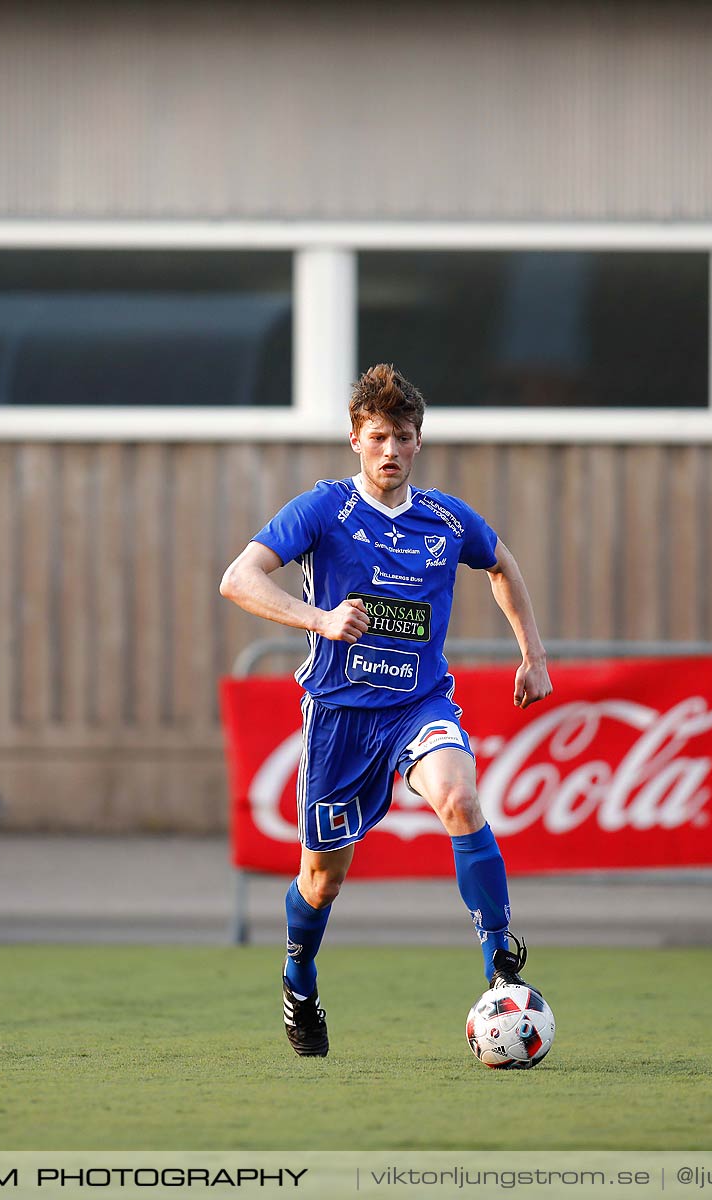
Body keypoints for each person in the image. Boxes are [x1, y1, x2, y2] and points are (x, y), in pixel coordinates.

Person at [219, 363, 553, 1057]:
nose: (391, 450)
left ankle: (500, 961)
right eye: (378, 437)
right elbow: (238, 579)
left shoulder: (446, 519)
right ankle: (298, 981)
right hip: (340, 717)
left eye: (403, 437)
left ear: (419, 442)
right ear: (355, 440)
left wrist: (534, 655)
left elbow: (502, 565)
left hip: (419, 706)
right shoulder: (323, 511)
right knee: (322, 878)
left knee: (460, 799)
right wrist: (318, 619)